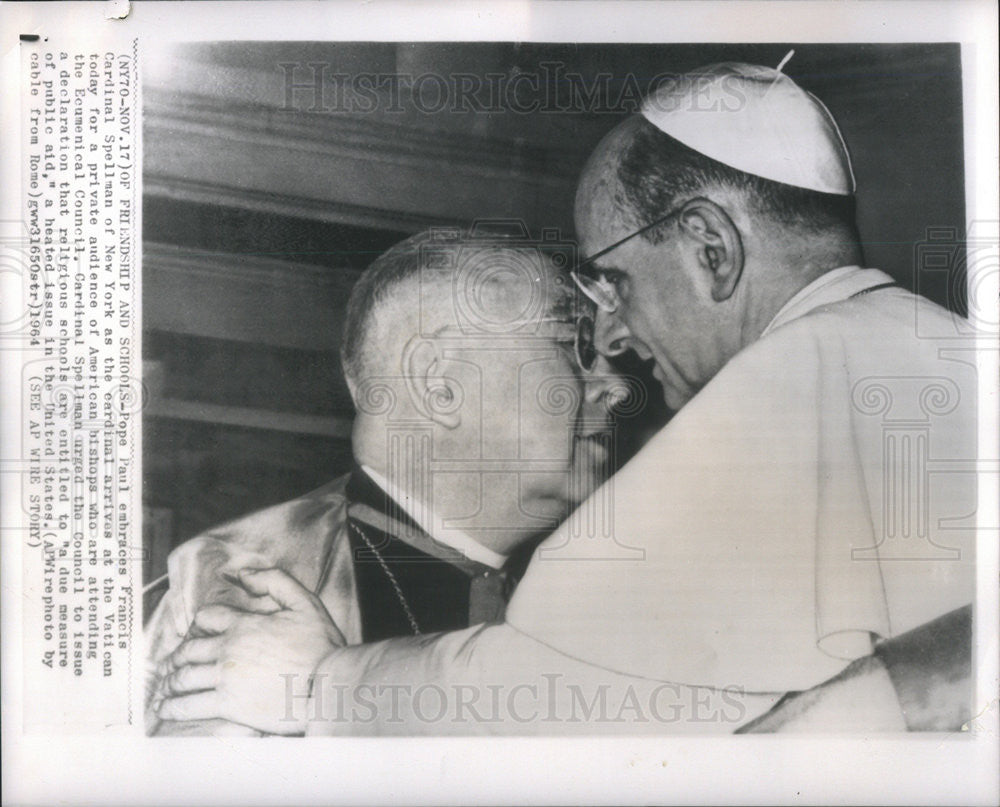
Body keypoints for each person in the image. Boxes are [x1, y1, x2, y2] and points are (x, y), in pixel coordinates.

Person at [155, 61, 976, 734]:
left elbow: (565, 700)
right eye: (573, 332)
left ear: (712, 248)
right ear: (438, 382)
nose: (616, 347)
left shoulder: (782, 393)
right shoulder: (953, 351)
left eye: (613, 279)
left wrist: (321, 684)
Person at [147, 228, 627, 735]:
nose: (616, 387)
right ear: (438, 385)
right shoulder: (239, 582)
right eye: (576, 349)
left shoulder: (589, 607)